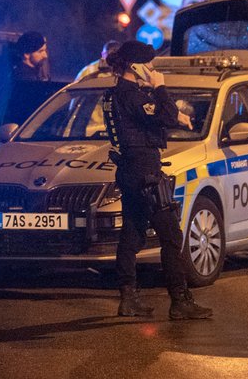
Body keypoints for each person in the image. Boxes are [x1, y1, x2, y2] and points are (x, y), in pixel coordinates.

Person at [103, 40, 212, 320]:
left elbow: (153, 119)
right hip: (145, 171)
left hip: (128, 168)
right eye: (149, 64)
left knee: (132, 234)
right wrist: (160, 86)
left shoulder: (113, 95)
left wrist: (180, 118)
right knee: (172, 236)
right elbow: (162, 113)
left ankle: (128, 299)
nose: (153, 69)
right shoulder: (134, 95)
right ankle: (180, 301)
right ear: (135, 66)